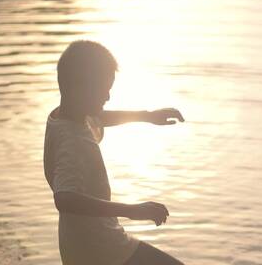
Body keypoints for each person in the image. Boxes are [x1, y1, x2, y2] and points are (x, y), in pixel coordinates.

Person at [43, 40, 185, 265]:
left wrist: (146, 116)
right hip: (101, 249)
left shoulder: (63, 116)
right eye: (103, 89)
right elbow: (64, 198)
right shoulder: (73, 142)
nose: (107, 97)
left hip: (81, 245)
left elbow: (99, 117)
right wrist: (131, 210)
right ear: (78, 88)